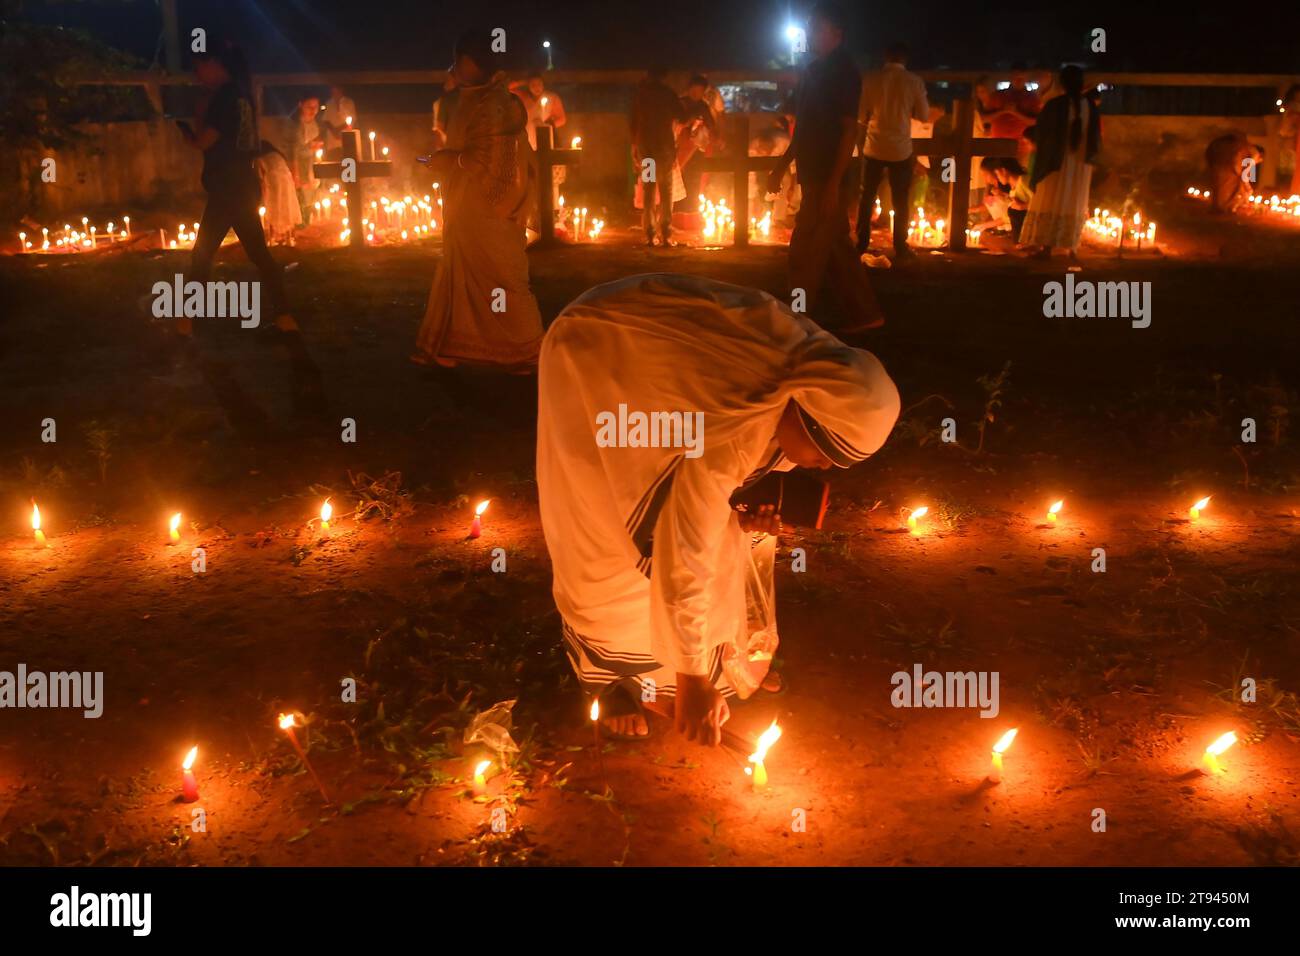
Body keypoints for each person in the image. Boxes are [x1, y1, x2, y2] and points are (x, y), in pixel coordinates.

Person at [536, 274, 900, 742]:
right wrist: (690, 677)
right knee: (599, 526)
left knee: (702, 537)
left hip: (648, 348)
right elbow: (685, 545)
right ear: (801, 410)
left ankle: (677, 678)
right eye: (821, 451)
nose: (820, 467)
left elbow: (721, 499)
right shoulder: (736, 433)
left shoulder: (816, 371)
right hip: (596, 349)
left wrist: (745, 517)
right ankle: (617, 684)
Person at [411, 30, 543, 369]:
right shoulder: (469, 99)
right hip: (465, 205)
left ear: (479, 62)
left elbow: (496, 158)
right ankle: (457, 346)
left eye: (461, 60)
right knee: (463, 274)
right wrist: (445, 161)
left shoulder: (497, 104)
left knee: (502, 279)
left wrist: (450, 161)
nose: (454, 67)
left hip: (490, 209)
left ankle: (524, 350)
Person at [767, 2, 884, 331]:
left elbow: (849, 130)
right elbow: (803, 127)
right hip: (814, 173)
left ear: (837, 33)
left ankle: (795, 317)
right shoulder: (814, 71)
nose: (810, 33)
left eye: (817, 28)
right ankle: (866, 315)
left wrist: (834, 184)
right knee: (836, 250)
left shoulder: (844, 72)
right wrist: (782, 165)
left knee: (805, 250)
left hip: (829, 176)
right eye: (809, 27)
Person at [181, 43, 294, 335]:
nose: (197, 76)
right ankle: (285, 316)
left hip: (226, 187)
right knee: (259, 254)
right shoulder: (244, 95)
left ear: (215, 63)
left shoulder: (223, 97)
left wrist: (191, 130)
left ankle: (187, 321)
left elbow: (205, 141)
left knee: (203, 253)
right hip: (244, 184)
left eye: (199, 68)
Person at [856, 43, 930, 258]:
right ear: (905, 60)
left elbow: (861, 116)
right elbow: (924, 116)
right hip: (901, 148)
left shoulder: (871, 80)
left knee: (867, 196)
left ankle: (861, 242)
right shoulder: (914, 82)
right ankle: (900, 245)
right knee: (900, 199)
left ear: (885, 58)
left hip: (874, 146)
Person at [1020, 64, 1101, 258]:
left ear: (1062, 84)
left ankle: (1047, 247)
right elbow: (1095, 137)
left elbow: (1042, 134)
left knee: (1052, 199)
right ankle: (1071, 246)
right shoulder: (1090, 106)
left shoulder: (1055, 105)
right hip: (1080, 164)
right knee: (1074, 199)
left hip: (1056, 162)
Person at [630, 67, 689, 246]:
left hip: (647, 148)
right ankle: (665, 233)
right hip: (664, 149)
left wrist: (635, 146)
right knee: (666, 190)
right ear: (664, 77)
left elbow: (633, 123)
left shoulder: (641, 95)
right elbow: (683, 117)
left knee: (649, 190)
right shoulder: (668, 94)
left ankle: (649, 233)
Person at [977, 64, 1042, 164]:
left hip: (1020, 148)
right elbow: (983, 119)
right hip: (997, 146)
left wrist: (1015, 113)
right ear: (1011, 77)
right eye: (1016, 77)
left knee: (1016, 178)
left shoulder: (1032, 98)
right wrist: (1002, 111)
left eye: (1021, 77)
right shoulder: (998, 95)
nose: (1018, 80)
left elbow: (1036, 122)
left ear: (1026, 78)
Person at [256, 141, 302, 245]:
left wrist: (263, 187)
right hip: (286, 179)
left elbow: (260, 175)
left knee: (273, 208)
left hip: (273, 180)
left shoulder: (259, 157)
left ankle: (272, 238)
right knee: (287, 206)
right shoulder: (278, 155)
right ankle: (288, 237)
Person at [1204, 133, 1261, 214]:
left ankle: (1219, 208)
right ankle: (1222, 208)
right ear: (1260, 157)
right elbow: (1245, 173)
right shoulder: (1253, 154)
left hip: (1218, 164)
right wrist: (1247, 186)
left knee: (1219, 188)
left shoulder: (1242, 147)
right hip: (1229, 167)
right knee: (1224, 189)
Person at [288, 96, 323, 224]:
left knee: (311, 193)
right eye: (310, 106)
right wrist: (294, 172)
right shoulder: (295, 126)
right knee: (300, 194)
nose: (313, 110)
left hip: (310, 164)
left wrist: (315, 147)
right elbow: (293, 151)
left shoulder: (314, 124)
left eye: (316, 107)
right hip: (298, 165)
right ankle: (300, 222)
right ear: (301, 105)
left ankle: (308, 220)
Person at [321, 85, 357, 151]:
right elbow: (325, 119)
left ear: (341, 91)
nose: (335, 94)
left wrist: (339, 130)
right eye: (333, 92)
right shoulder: (329, 103)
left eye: (337, 92)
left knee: (347, 156)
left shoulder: (349, 102)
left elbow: (352, 118)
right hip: (332, 140)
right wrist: (333, 131)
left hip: (346, 136)